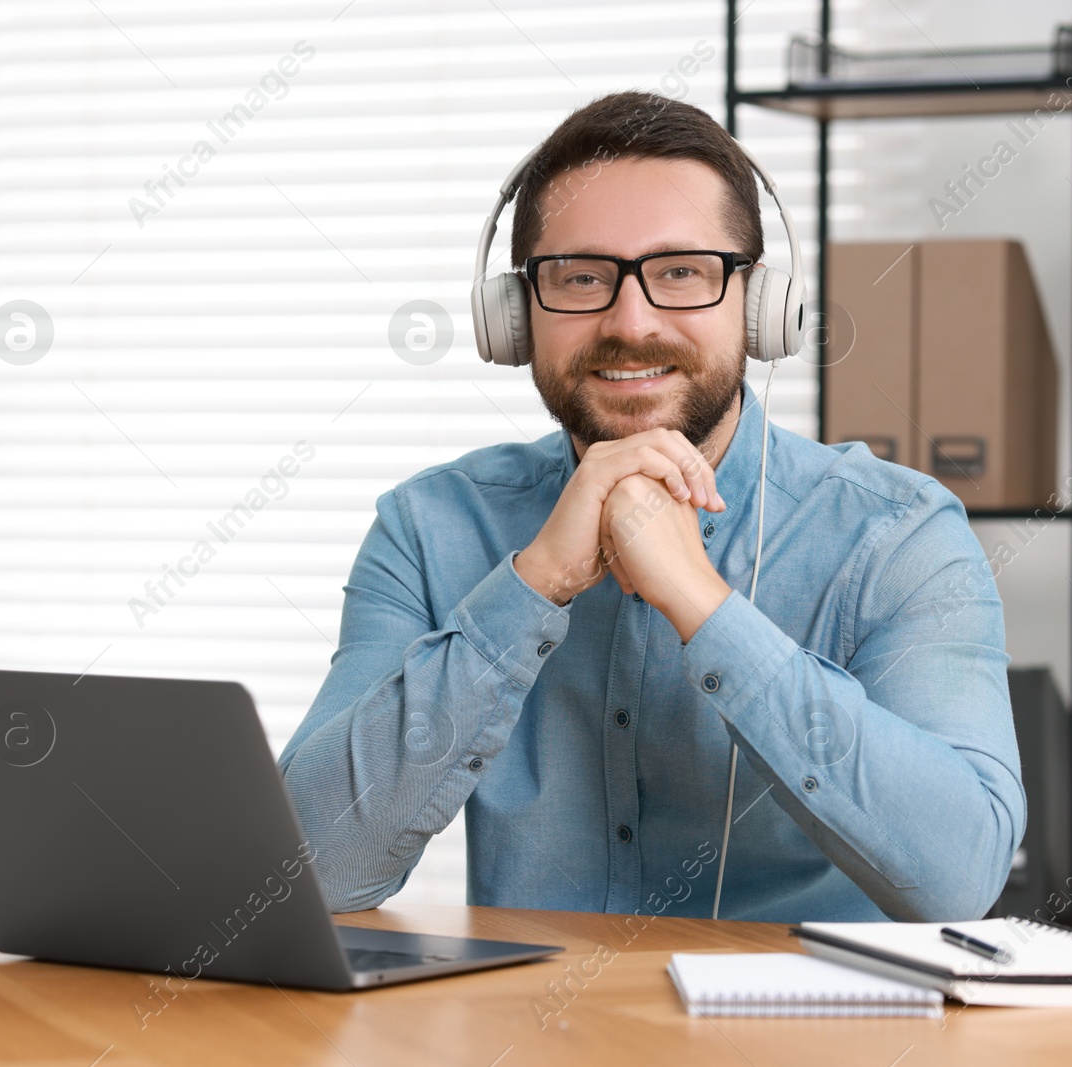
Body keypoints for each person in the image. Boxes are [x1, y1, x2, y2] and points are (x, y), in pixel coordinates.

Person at [279, 90, 1024, 923]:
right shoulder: (427, 528)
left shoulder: (898, 535)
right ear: (515, 315)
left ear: (760, 304)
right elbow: (307, 868)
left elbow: (960, 875)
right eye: (582, 276)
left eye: (681, 272)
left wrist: (702, 604)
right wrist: (535, 584)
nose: (630, 322)